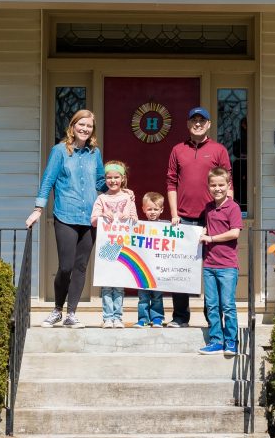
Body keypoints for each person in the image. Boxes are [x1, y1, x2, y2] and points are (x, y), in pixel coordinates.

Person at [27, 109, 105, 329]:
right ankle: (57, 310)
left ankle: (71, 312)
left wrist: (119, 190)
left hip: (90, 218)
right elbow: (48, 180)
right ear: (73, 126)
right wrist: (38, 209)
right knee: (66, 267)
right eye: (81, 124)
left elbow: (100, 182)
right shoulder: (59, 151)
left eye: (89, 126)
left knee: (81, 267)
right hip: (66, 215)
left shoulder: (94, 153)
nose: (85, 129)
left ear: (92, 130)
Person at [165, 106, 232, 328]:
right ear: (187, 124)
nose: (197, 124)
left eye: (202, 120)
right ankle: (180, 317)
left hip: (211, 218)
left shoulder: (218, 150)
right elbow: (171, 182)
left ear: (209, 124)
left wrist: (227, 213)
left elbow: (227, 183)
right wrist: (174, 213)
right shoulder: (178, 150)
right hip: (183, 218)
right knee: (181, 270)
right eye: (193, 120)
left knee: (211, 270)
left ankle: (211, 319)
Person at [198, 167, 243, 356]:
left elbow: (235, 232)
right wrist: (202, 233)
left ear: (228, 185)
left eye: (221, 185)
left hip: (227, 266)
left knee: (228, 305)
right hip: (209, 265)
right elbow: (206, 229)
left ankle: (231, 341)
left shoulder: (233, 207)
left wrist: (211, 238)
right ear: (209, 186)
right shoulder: (208, 208)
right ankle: (216, 340)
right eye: (213, 185)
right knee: (212, 306)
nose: (217, 188)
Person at [90, 160, 137, 329]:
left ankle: (118, 317)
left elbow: (135, 221)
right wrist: (103, 215)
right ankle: (107, 317)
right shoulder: (101, 199)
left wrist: (129, 217)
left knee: (118, 285)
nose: (113, 181)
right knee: (106, 285)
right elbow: (93, 221)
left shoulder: (128, 198)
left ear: (122, 178)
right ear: (105, 179)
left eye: (116, 177)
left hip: (123, 249)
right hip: (106, 248)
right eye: (109, 177)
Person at [135, 192, 167, 328]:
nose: (152, 212)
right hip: (142, 269)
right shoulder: (138, 226)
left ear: (161, 210)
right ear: (143, 209)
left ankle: (157, 318)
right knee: (143, 297)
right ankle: (143, 318)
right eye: (149, 209)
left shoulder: (166, 226)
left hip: (158, 269)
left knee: (157, 296)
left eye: (155, 209)